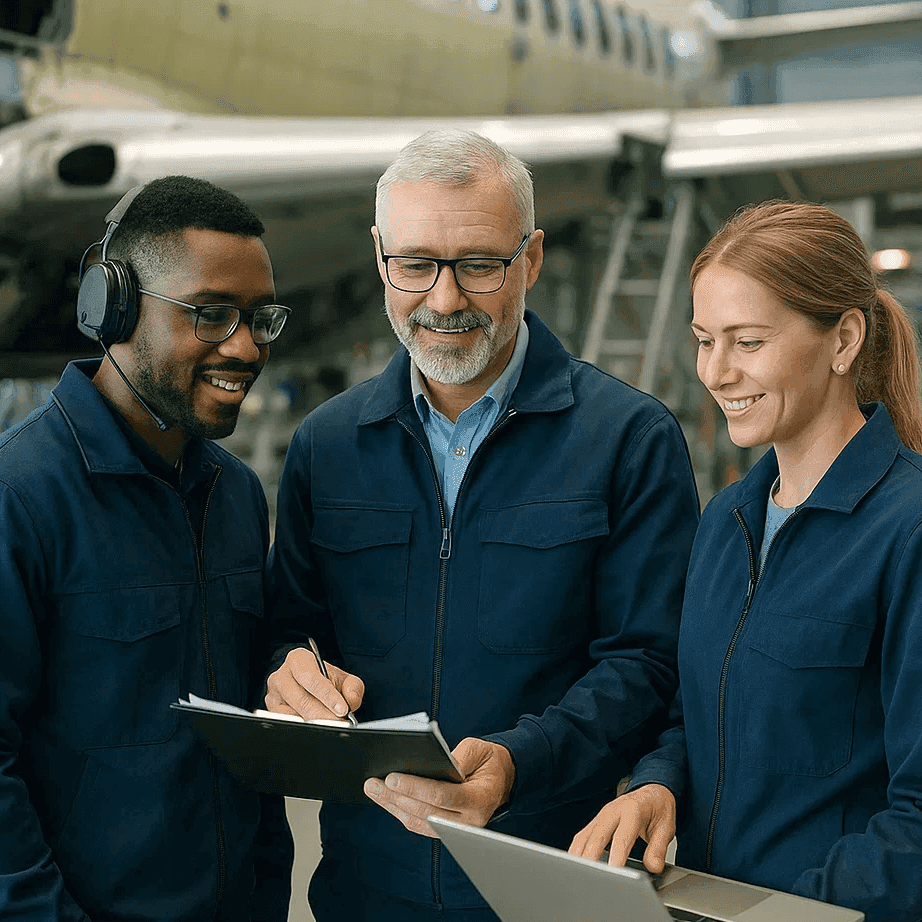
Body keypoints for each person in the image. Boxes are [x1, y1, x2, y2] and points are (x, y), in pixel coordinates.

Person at [264, 128, 700, 920]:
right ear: (379, 255)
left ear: (530, 259)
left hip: (550, 886)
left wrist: (518, 763)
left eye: (478, 265)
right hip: (366, 891)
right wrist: (291, 667)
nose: (444, 299)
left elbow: (651, 662)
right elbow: (290, 626)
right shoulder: (325, 448)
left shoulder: (628, 439)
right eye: (416, 263)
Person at [570, 200, 922, 922]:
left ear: (844, 339)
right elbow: (694, 718)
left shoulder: (908, 531)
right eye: (704, 341)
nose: (717, 372)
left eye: (748, 341)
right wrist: (657, 783)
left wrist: (780, 915)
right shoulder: (725, 522)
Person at [0, 176, 294, 921]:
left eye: (261, 318)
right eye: (212, 315)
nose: (245, 346)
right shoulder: (19, 497)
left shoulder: (233, 492)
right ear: (114, 308)